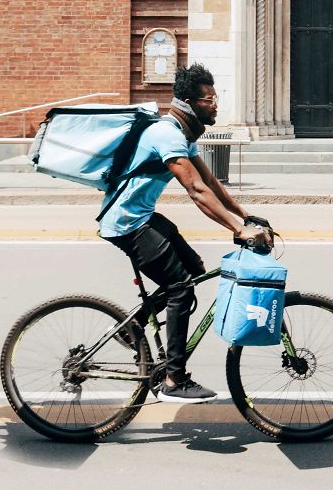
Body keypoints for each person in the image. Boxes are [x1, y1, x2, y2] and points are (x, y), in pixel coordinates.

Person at [99, 63, 268, 403]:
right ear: (188, 103)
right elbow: (195, 191)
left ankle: (132, 328)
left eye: (215, 97)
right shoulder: (167, 135)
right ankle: (174, 379)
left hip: (142, 215)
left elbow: (210, 183)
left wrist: (247, 215)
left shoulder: (183, 135)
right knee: (179, 287)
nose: (216, 105)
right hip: (126, 223)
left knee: (194, 270)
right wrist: (239, 230)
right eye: (209, 99)